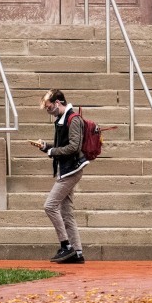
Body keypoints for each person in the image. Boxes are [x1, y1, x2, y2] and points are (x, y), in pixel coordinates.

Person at [35, 88, 88, 264]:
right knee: (66, 212)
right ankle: (77, 252)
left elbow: (74, 147)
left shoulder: (73, 120)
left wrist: (52, 150)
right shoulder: (62, 119)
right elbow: (61, 147)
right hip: (65, 168)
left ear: (58, 103)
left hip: (71, 170)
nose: (49, 111)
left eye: (49, 108)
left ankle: (66, 246)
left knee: (49, 206)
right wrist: (46, 147)